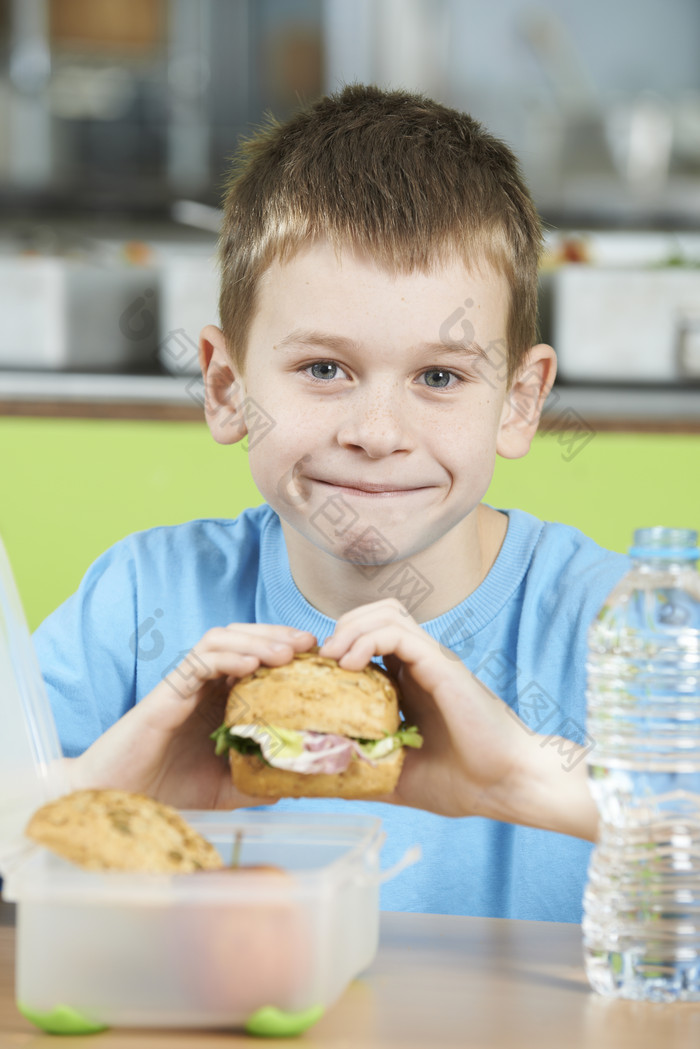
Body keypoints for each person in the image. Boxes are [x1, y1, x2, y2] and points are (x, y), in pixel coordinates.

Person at [33, 84, 629, 921]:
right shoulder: (136, 603)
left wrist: (531, 779)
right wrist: (92, 789)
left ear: (521, 401)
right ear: (225, 385)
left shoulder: (622, 624)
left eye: (439, 376)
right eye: (324, 369)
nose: (377, 432)